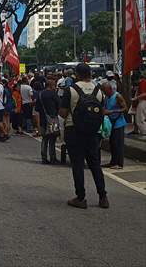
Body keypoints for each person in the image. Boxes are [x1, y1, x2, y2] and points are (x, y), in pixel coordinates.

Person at [59, 63, 109, 209]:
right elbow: (102, 111)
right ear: (90, 74)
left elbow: (63, 112)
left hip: (74, 130)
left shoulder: (71, 90)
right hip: (93, 132)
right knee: (95, 164)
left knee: (78, 164)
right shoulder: (99, 91)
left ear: (77, 74)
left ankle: (80, 198)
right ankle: (103, 197)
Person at [102, 81, 128, 170]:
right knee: (112, 143)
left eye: (105, 91)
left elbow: (125, 108)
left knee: (118, 143)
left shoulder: (117, 96)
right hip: (110, 121)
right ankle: (113, 162)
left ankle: (119, 163)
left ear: (110, 89)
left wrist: (112, 111)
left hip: (118, 122)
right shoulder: (107, 97)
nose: (104, 92)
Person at [37, 79, 61, 164]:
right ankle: (53, 158)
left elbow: (37, 108)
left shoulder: (40, 94)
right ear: (51, 86)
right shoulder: (53, 94)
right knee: (52, 138)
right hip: (53, 119)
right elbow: (59, 105)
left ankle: (44, 157)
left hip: (43, 119)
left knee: (44, 138)